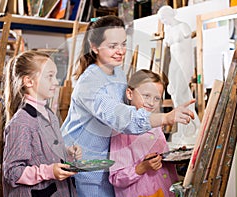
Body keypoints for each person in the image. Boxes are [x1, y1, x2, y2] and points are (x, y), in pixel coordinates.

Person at [61, 15, 195, 197]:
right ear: (94, 47)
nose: (121, 51)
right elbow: (120, 116)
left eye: (123, 44)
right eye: (112, 46)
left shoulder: (117, 73)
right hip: (89, 167)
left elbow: (130, 107)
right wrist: (165, 117)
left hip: (111, 162)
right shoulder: (89, 83)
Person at [2, 50, 81, 196]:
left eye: (55, 76)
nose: (56, 82)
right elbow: (12, 172)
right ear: (29, 81)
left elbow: (43, 154)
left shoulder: (50, 115)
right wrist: (49, 171)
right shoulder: (21, 123)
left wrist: (67, 153)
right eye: (49, 76)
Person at [109, 69, 178, 197]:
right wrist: (143, 167)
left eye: (156, 98)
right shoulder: (122, 130)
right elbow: (116, 177)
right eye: (146, 96)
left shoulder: (156, 125)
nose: (151, 103)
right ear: (130, 94)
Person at [158, 5, 200, 145]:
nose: (163, 21)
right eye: (161, 19)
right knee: (175, 93)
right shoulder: (169, 30)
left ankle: (192, 127)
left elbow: (187, 49)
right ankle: (184, 129)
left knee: (183, 94)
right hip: (174, 64)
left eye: (164, 18)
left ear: (170, 15)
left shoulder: (183, 27)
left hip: (184, 63)